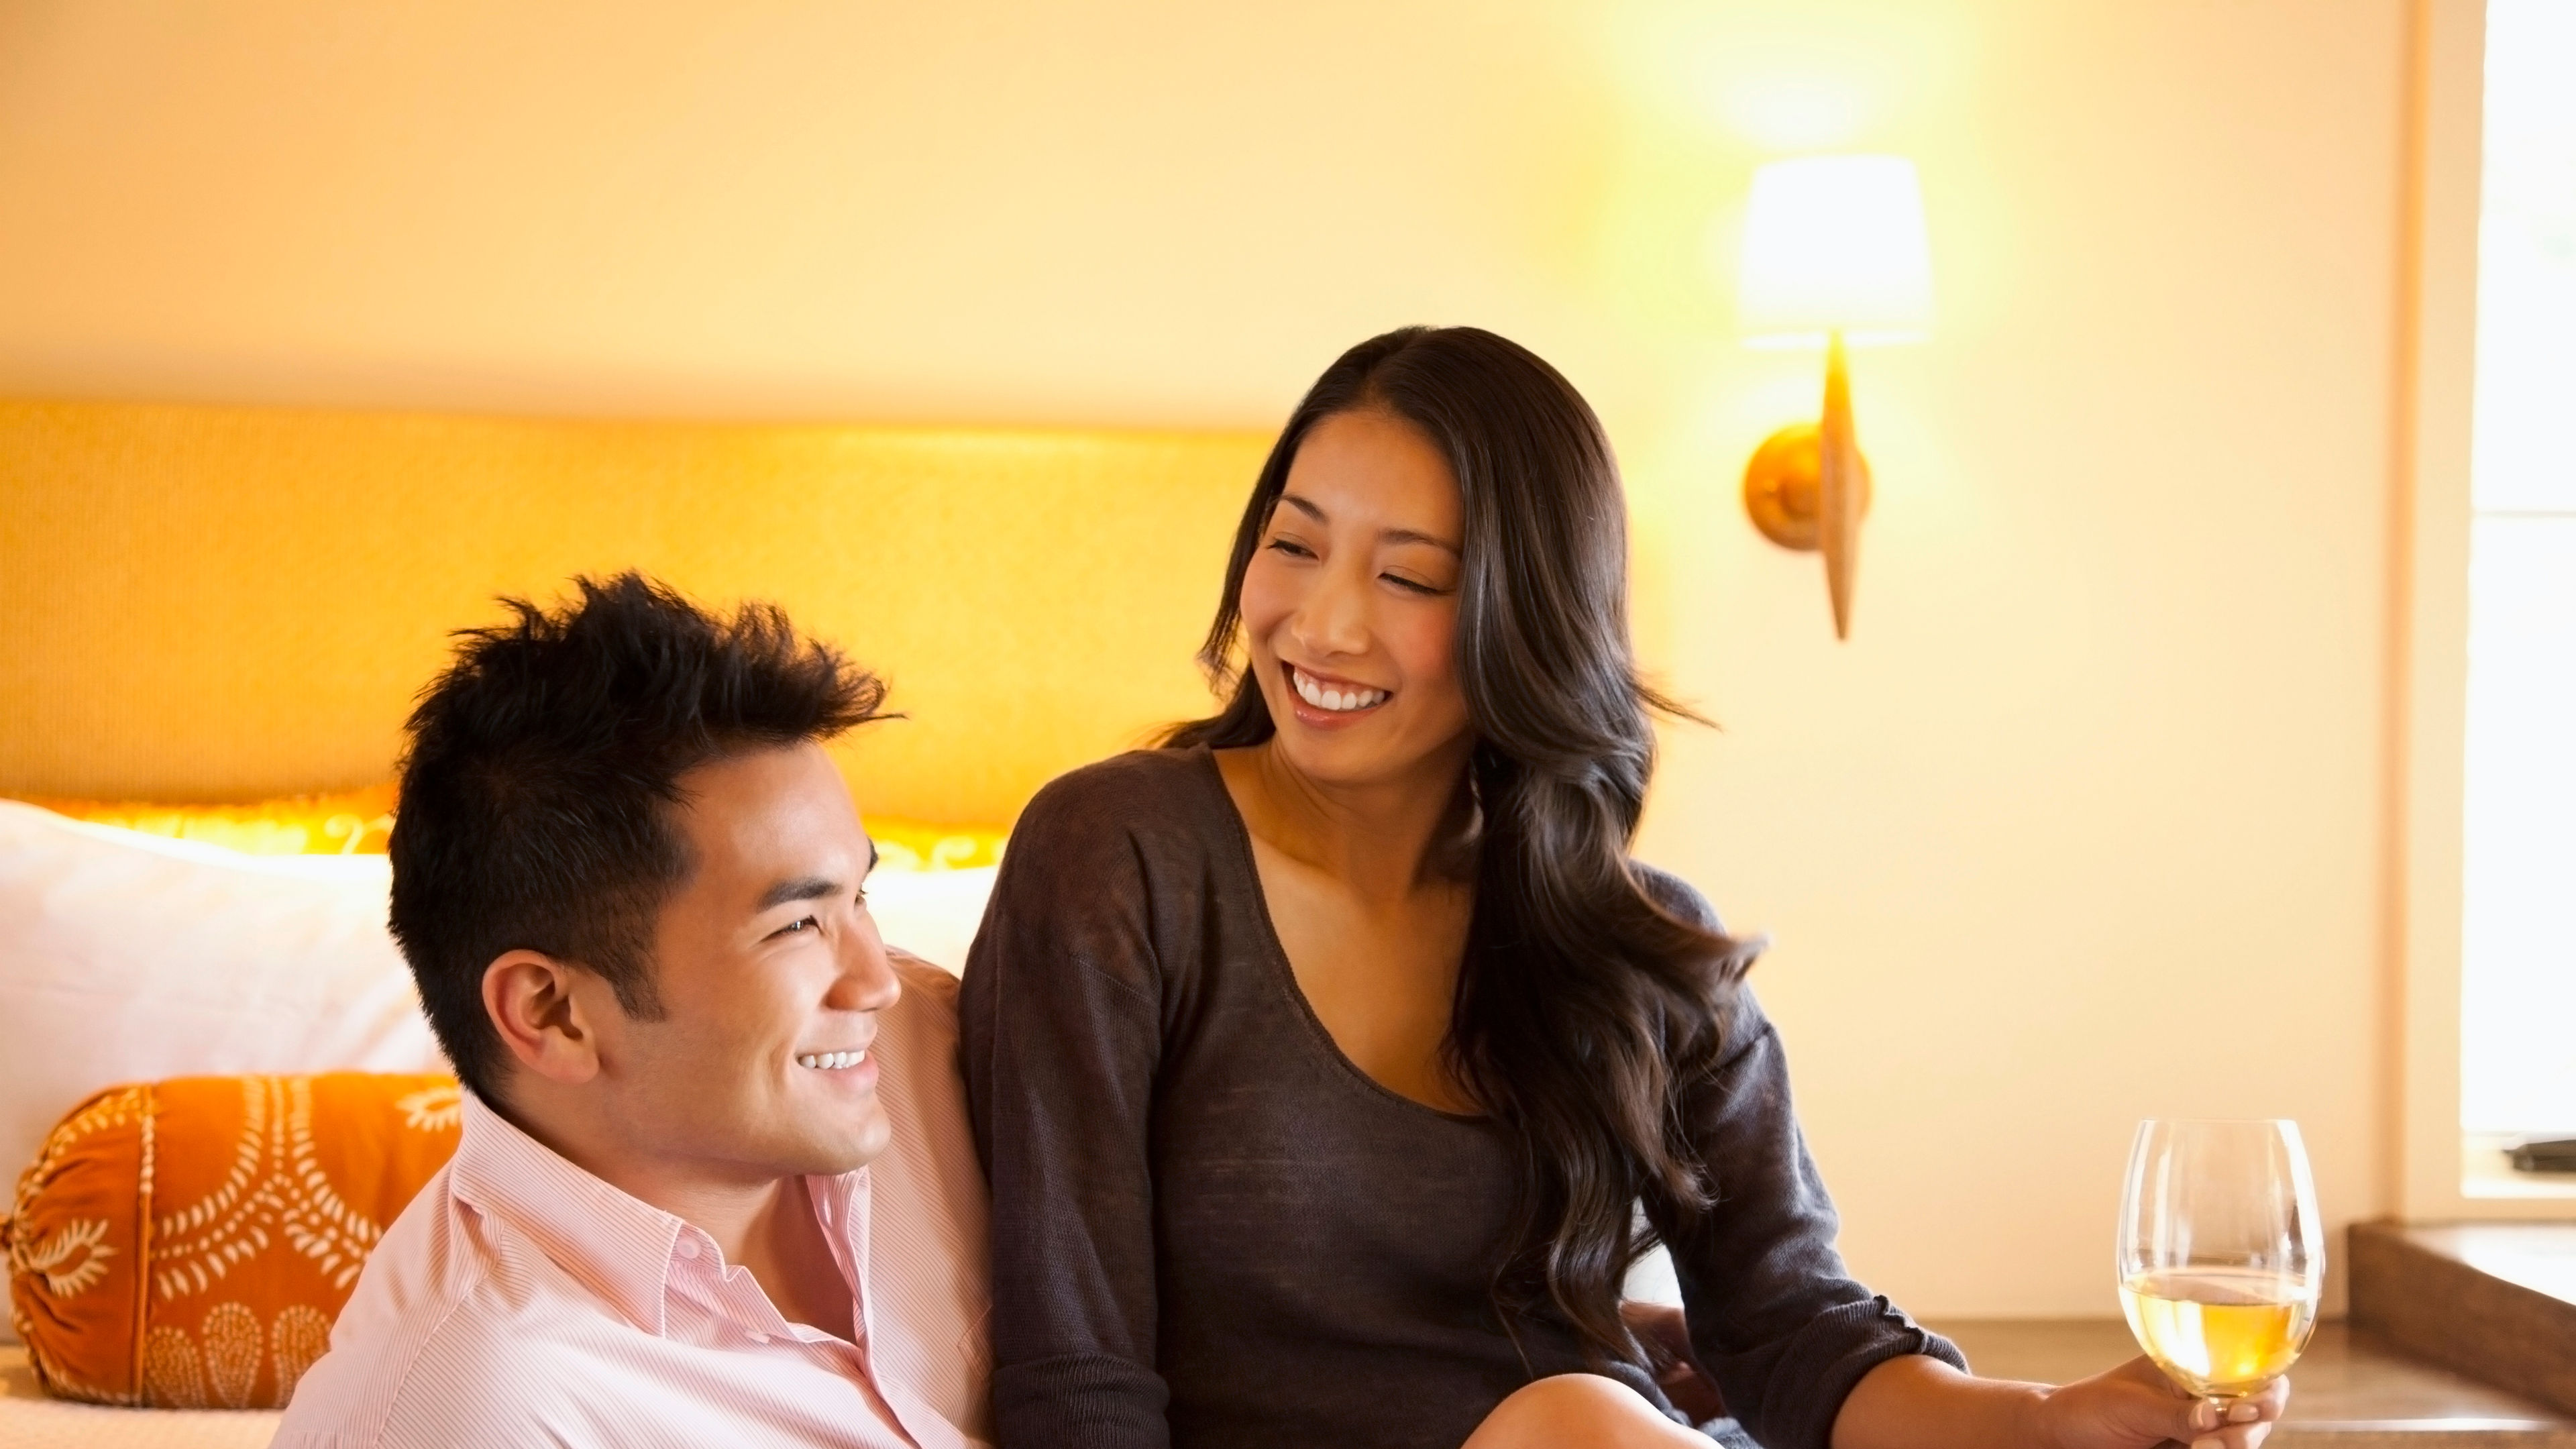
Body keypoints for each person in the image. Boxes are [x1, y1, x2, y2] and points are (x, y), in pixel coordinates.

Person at [959, 326, 2292, 1449]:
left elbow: (1787, 1324)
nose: (1323, 624)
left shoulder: (1634, 945)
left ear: (1526, 623)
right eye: (1295, 546)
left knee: (1579, 1421)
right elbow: (1073, 1376)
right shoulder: (1119, 854)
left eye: (1409, 576)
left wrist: (2050, 1417)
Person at [276, 573, 991, 1449]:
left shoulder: (933, 1045)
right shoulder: (471, 1410)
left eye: (861, 897)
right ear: (553, 1015)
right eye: (799, 923)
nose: (873, 981)